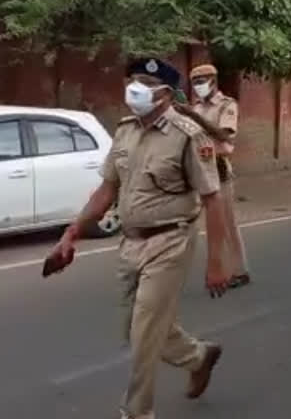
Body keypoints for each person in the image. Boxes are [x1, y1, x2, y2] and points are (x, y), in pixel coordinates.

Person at [44, 58, 231, 419]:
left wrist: (217, 262)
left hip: (170, 241)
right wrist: (71, 234)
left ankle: (136, 412)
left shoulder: (188, 136)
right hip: (130, 243)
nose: (135, 89)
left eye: (145, 82)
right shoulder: (126, 131)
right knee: (136, 329)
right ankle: (199, 356)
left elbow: (213, 199)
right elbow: (106, 190)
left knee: (144, 335)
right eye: (133, 80)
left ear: (164, 93)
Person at [175, 64, 250, 288]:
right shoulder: (195, 107)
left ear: (214, 81)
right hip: (194, 166)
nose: (199, 86)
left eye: (203, 81)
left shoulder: (227, 105)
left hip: (217, 166)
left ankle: (239, 270)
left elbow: (224, 136)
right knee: (184, 220)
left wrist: (192, 117)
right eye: (195, 82)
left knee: (226, 222)